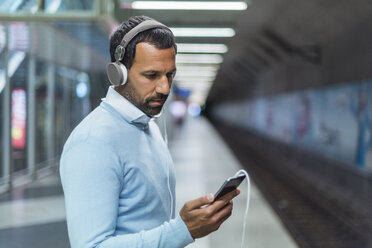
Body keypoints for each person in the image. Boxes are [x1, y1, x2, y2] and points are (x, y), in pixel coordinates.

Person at [60, 15, 240, 248]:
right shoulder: (93, 142)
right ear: (118, 73)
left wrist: (192, 223)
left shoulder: (147, 125)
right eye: (151, 75)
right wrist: (182, 230)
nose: (164, 88)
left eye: (169, 75)